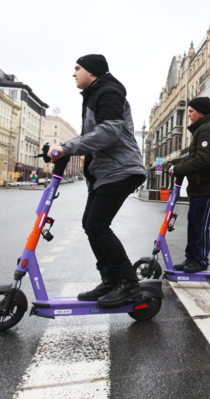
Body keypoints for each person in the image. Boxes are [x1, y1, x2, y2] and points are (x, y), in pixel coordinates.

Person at [49, 54, 146, 307]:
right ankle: (111, 280)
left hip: (121, 169)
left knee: (96, 225)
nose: (74, 73)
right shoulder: (95, 94)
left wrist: (68, 147)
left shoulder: (109, 92)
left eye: (77, 68)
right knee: (90, 224)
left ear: (91, 72)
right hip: (106, 172)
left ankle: (128, 283)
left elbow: (109, 132)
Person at [168, 96, 210, 273]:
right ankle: (191, 259)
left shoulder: (208, 130)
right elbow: (194, 157)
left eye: (191, 111)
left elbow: (204, 160)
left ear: (201, 112)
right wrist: (178, 165)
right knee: (194, 223)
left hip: (209, 188)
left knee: (201, 225)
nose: (188, 115)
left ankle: (200, 260)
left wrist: (179, 170)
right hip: (199, 187)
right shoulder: (201, 130)